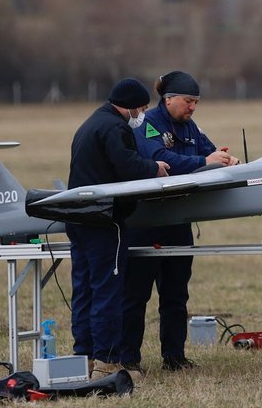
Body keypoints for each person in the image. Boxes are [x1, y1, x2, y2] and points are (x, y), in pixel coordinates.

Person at [122, 70, 239, 372]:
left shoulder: (191, 127)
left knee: (176, 293)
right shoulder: (147, 124)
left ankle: (174, 357)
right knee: (136, 295)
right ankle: (129, 359)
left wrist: (226, 160)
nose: (193, 107)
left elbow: (210, 151)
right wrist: (204, 162)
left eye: (196, 102)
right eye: (189, 101)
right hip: (146, 222)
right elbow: (161, 161)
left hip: (178, 220)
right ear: (169, 99)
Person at [65, 78, 169, 378]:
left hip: (79, 219)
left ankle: (82, 358)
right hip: (103, 221)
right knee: (107, 291)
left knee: (83, 290)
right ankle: (107, 363)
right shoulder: (115, 128)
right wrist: (155, 168)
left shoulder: (91, 124)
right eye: (143, 108)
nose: (144, 114)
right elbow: (128, 166)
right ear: (132, 106)